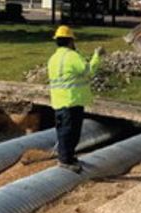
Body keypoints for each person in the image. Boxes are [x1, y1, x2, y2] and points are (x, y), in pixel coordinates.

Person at [48, 25, 105, 172]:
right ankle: (65, 160)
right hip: (72, 101)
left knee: (63, 131)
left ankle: (67, 156)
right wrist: (97, 56)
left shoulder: (53, 58)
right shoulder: (72, 56)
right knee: (71, 132)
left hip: (59, 101)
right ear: (70, 41)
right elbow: (88, 71)